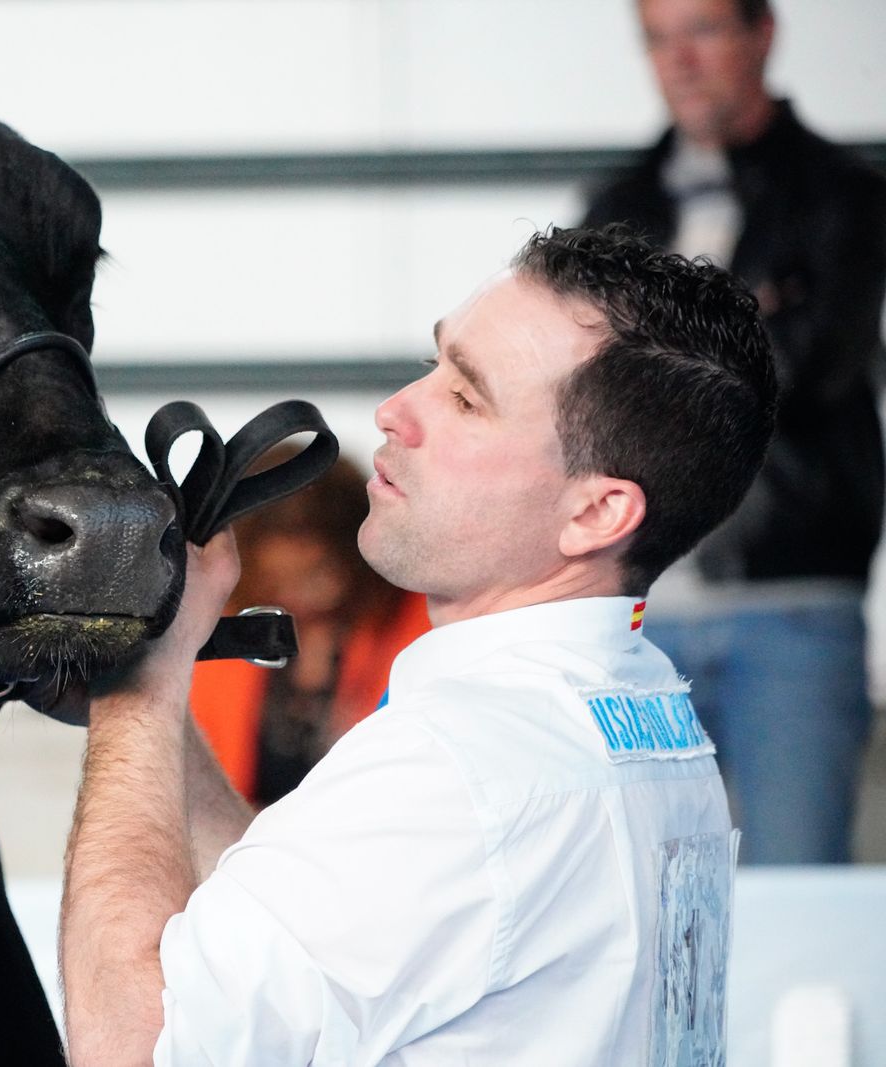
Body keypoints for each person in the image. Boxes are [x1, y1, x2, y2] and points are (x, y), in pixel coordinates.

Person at [59, 225, 777, 1065]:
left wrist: (134, 691)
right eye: (438, 362)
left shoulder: (462, 770)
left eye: (468, 398)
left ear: (596, 513)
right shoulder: (639, 710)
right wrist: (164, 695)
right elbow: (301, 931)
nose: (397, 410)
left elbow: (131, 1044)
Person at [582, 0, 886, 864]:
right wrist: (751, 308)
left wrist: (654, 352)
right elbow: (588, 389)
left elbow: (811, 364)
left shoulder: (842, 194)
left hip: (793, 600)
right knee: (632, 904)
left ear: (763, 34)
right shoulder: (619, 201)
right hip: (637, 612)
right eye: (657, 37)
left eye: (704, 30)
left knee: (798, 892)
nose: (679, 59)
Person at [189, 450, 429, 807]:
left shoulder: (422, 624)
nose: (305, 595)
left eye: (323, 568)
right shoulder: (219, 635)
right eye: (278, 581)